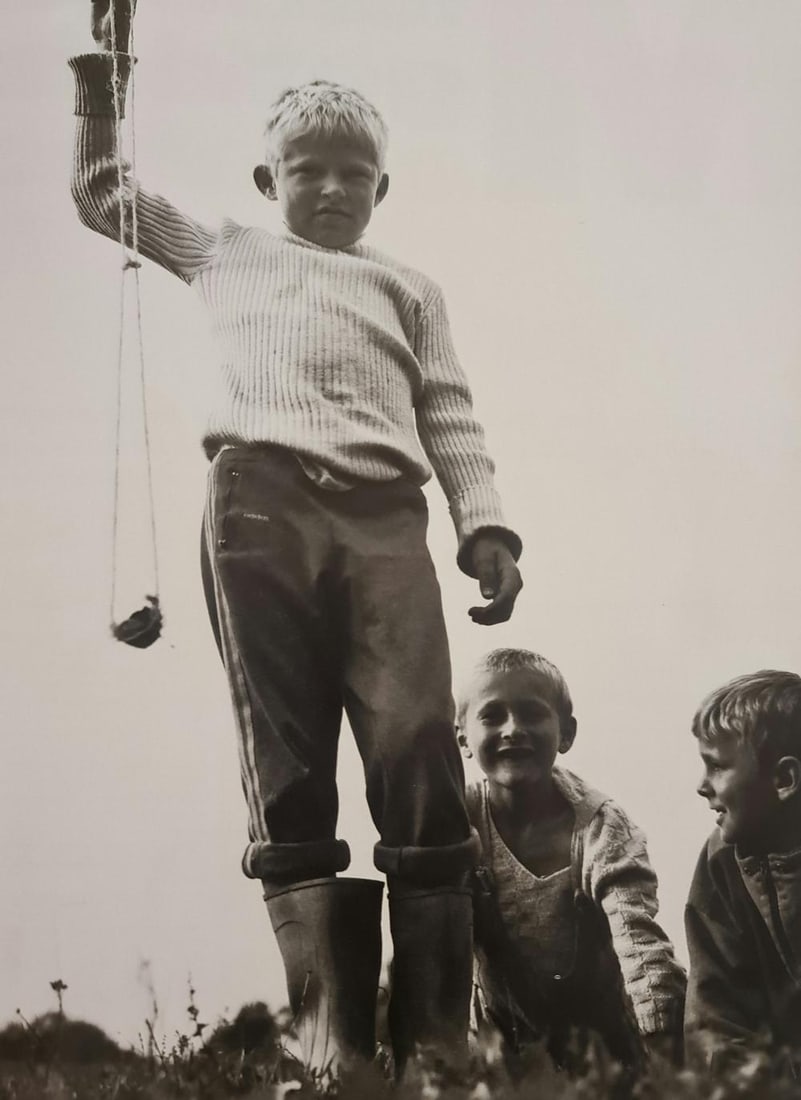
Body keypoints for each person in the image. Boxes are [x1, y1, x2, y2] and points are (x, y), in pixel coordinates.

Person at [70, 0, 523, 1077]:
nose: (328, 187)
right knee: (287, 762)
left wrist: (487, 524)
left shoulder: (409, 286)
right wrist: (104, 76)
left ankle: (438, 1043)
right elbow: (104, 195)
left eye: (351, 172)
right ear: (269, 182)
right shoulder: (227, 251)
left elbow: (451, 410)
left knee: (417, 742)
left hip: (385, 518)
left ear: (381, 187)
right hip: (258, 507)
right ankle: (333, 1047)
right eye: (305, 169)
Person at [456, 649, 685, 1073]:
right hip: (501, 1050)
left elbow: (640, 945)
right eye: (492, 716)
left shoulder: (603, 828)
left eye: (531, 714)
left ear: (567, 733)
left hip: (608, 1054)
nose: (513, 729)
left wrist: (667, 1057)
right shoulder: (459, 818)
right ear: (463, 739)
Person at [685, 670, 801, 1077]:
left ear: (784, 779)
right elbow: (716, 1023)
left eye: (717, 767)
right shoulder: (721, 861)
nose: (702, 786)